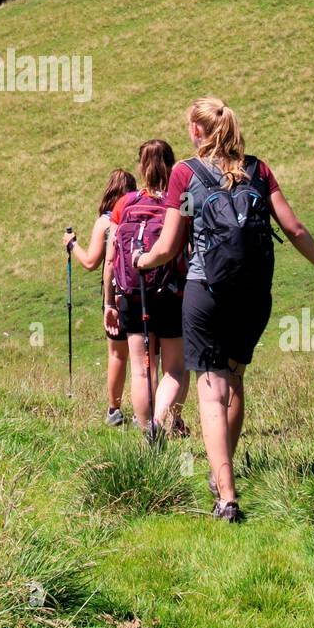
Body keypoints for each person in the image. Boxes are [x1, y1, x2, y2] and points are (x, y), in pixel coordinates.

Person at [134, 98, 314, 522]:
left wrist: (142, 261)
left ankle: (226, 495)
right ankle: (222, 470)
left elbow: (169, 246)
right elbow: (294, 228)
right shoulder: (258, 170)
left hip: (205, 291)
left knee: (212, 389)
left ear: (195, 130)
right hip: (253, 295)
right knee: (236, 378)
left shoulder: (184, 173)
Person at [103, 140, 189, 441]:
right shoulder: (181, 201)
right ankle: (165, 419)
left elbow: (113, 257)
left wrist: (109, 303)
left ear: (141, 166)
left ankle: (146, 434)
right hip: (170, 293)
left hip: (131, 293)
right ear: (172, 163)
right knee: (175, 368)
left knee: (141, 370)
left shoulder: (123, 204)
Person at [63, 169, 136, 426]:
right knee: (143, 357)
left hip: (115, 292)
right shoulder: (139, 215)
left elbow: (92, 262)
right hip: (143, 290)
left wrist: (72, 245)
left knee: (117, 354)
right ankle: (145, 411)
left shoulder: (106, 221)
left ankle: (114, 410)